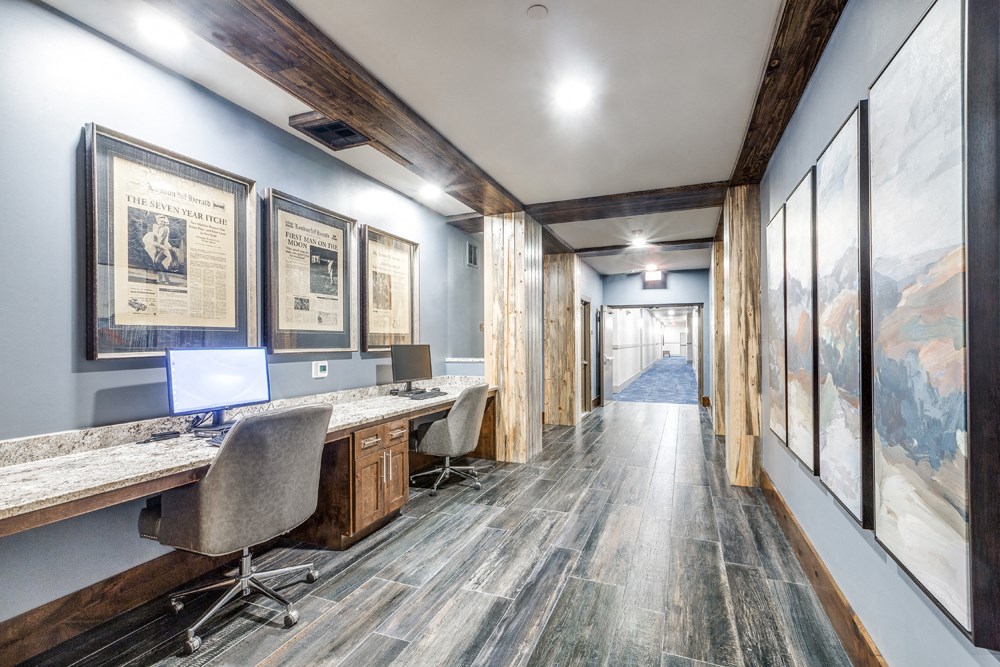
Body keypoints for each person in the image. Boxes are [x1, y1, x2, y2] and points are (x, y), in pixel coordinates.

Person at [142, 214, 177, 284]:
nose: (163, 223)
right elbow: (154, 237)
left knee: (157, 261)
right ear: (158, 221)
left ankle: (166, 279)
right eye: (161, 221)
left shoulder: (166, 228)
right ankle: (162, 279)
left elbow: (163, 240)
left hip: (164, 247)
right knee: (156, 263)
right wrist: (155, 246)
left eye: (164, 222)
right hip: (156, 246)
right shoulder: (155, 227)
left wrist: (161, 248)